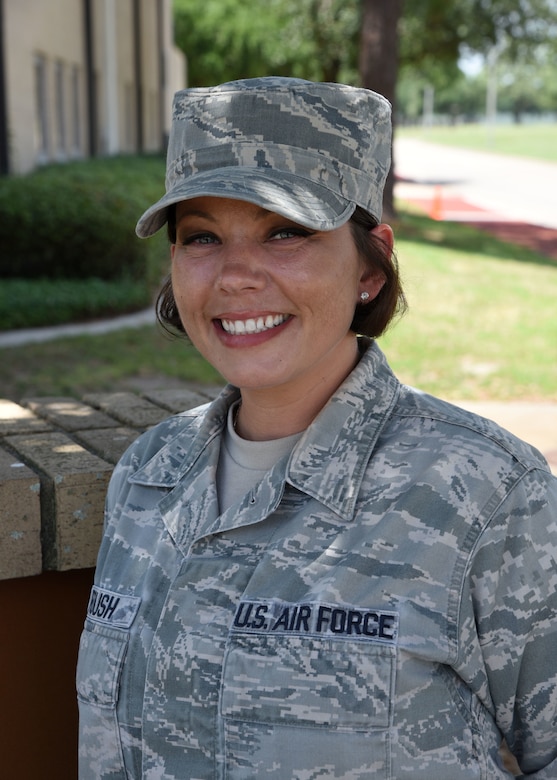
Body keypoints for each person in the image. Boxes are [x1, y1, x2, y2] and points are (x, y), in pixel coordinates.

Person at [76, 77, 557, 779]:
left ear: (370, 266)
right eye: (202, 237)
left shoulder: (487, 496)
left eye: (286, 232)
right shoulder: (148, 475)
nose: (236, 276)